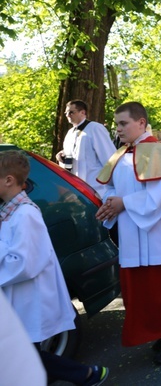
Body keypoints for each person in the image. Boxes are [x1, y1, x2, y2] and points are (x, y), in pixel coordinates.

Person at [0, 150, 109, 386]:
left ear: (8, 180)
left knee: (20, 354)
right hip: (19, 298)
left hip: (28, 298)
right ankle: (87, 375)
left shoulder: (25, 214)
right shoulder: (9, 213)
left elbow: (25, 263)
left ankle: (87, 375)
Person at [95, 102, 161, 365]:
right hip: (132, 233)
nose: (118, 129)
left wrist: (123, 203)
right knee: (143, 291)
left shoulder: (158, 152)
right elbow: (107, 186)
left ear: (140, 123)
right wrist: (109, 203)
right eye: (117, 124)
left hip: (159, 235)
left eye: (123, 123)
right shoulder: (120, 155)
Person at [56, 100, 116, 196]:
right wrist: (61, 156)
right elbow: (73, 155)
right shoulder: (70, 133)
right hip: (76, 189)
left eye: (71, 112)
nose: (67, 115)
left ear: (82, 112)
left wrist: (115, 187)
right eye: (66, 112)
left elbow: (110, 158)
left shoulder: (95, 128)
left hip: (96, 188)